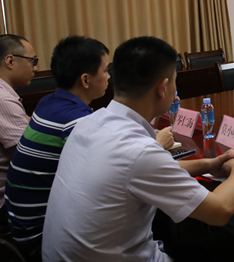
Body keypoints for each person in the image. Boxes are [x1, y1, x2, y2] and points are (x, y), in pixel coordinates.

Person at [43, 36, 234, 262]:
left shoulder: (89, 123)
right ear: (162, 88)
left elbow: (137, 170)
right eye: (175, 82)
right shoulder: (138, 150)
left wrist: (208, 164)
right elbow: (220, 211)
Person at [5, 36, 173, 261]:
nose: (109, 77)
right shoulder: (77, 122)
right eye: (105, 71)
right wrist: (156, 144)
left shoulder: (48, 102)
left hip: (22, 221)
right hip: (42, 234)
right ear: (85, 80)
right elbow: (124, 163)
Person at [0, 34, 37, 232]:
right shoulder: (3, 100)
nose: (35, 68)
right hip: (6, 203)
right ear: (10, 61)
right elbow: (28, 156)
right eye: (33, 61)